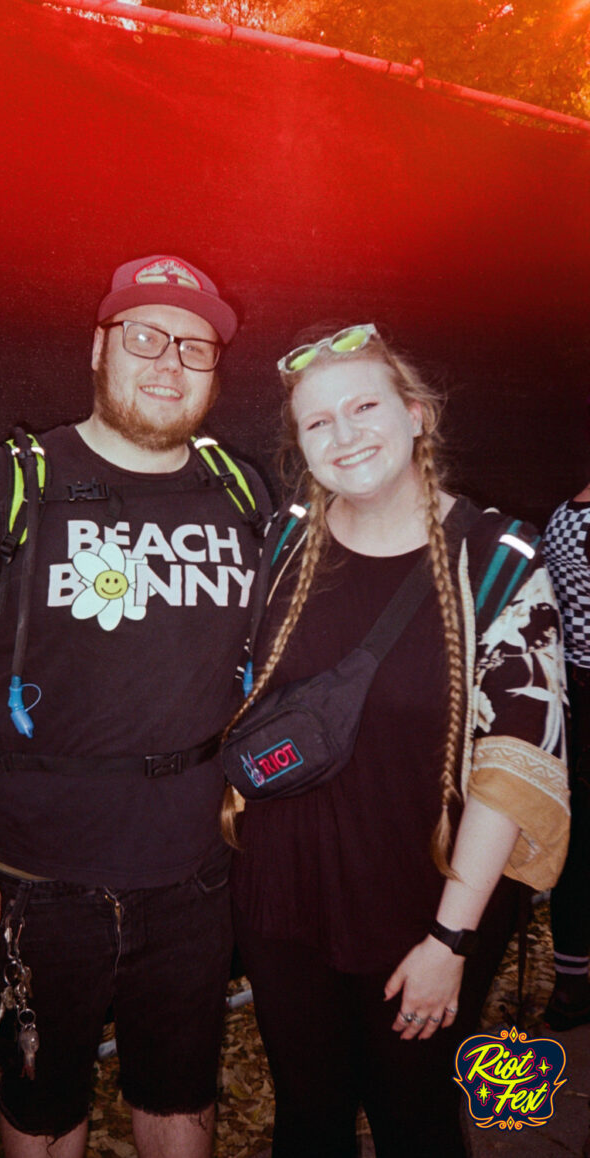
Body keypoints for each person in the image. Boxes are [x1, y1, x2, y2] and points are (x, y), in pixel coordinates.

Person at [0, 254, 269, 1158]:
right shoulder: (10, 482)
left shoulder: (245, 492)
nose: (168, 362)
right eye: (144, 336)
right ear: (98, 348)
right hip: (34, 877)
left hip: (193, 872)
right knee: (42, 1098)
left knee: (181, 1090)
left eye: (194, 347)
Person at [225, 324, 569, 1157]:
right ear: (300, 445)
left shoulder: (500, 563)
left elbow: (513, 767)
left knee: (413, 1119)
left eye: (365, 407)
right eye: (318, 423)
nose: (345, 436)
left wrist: (450, 940)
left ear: (417, 416)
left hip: (422, 905)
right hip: (282, 898)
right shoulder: (282, 544)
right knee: (308, 1115)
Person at [543, 480, 590, 1029]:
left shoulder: (565, 511)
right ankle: (573, 988)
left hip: (574, 689)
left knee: (581, 844)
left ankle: (572, 985)